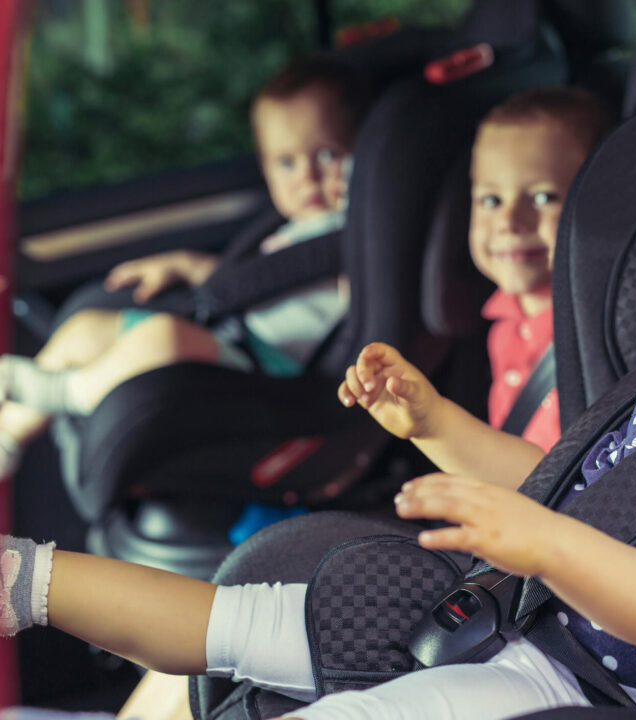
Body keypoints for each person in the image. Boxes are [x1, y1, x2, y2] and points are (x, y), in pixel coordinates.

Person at [0, 125, 636, 719]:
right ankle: (29, 581)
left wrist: (545, 546)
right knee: (236, 620)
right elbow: (543, 480)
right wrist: (428, 419)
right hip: (509, 619)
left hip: (570, 686)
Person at [0, 55, 372, 477]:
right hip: (232, 335)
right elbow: (256, 282)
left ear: (364, 155)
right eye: (287, 163)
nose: (306, 176)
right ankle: (8, 435)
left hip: (270, 371)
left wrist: (362, 225)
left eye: (327, 155)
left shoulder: (357, 230)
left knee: (163, 336)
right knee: (83, 329)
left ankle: (66, 391)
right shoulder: (291, 229)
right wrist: (184, 264)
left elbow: (365, 294)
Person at [340, 86, 615, 462]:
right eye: (491, 200)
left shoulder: (597, 328)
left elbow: (562, 479)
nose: (509, 222)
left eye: (542, 197)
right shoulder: (501, 321)